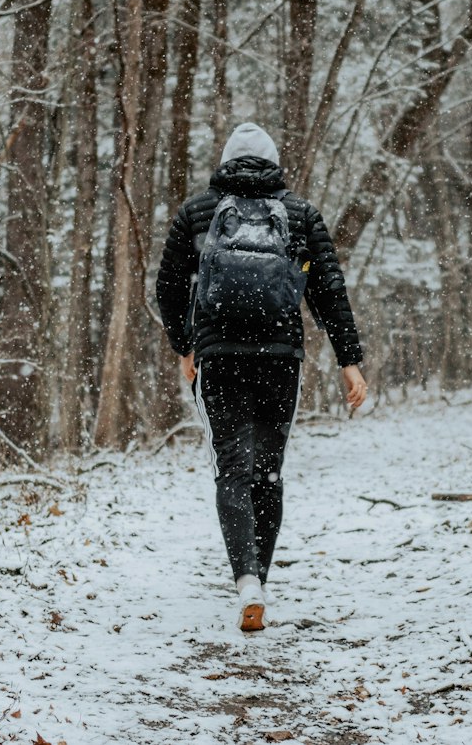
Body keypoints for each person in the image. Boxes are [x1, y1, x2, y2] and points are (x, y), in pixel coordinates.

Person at [156, 121, 367, 631]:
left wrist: (185, 347)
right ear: (273, 163)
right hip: (279, 357)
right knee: (268, 472)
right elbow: (329, 293)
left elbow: (167, 287)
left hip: (219, 355)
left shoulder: (198, 212)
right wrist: (349, 362)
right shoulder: (299, 214)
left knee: (232, 468)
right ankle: (260, 586)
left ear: (226, 161)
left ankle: (246, 582)